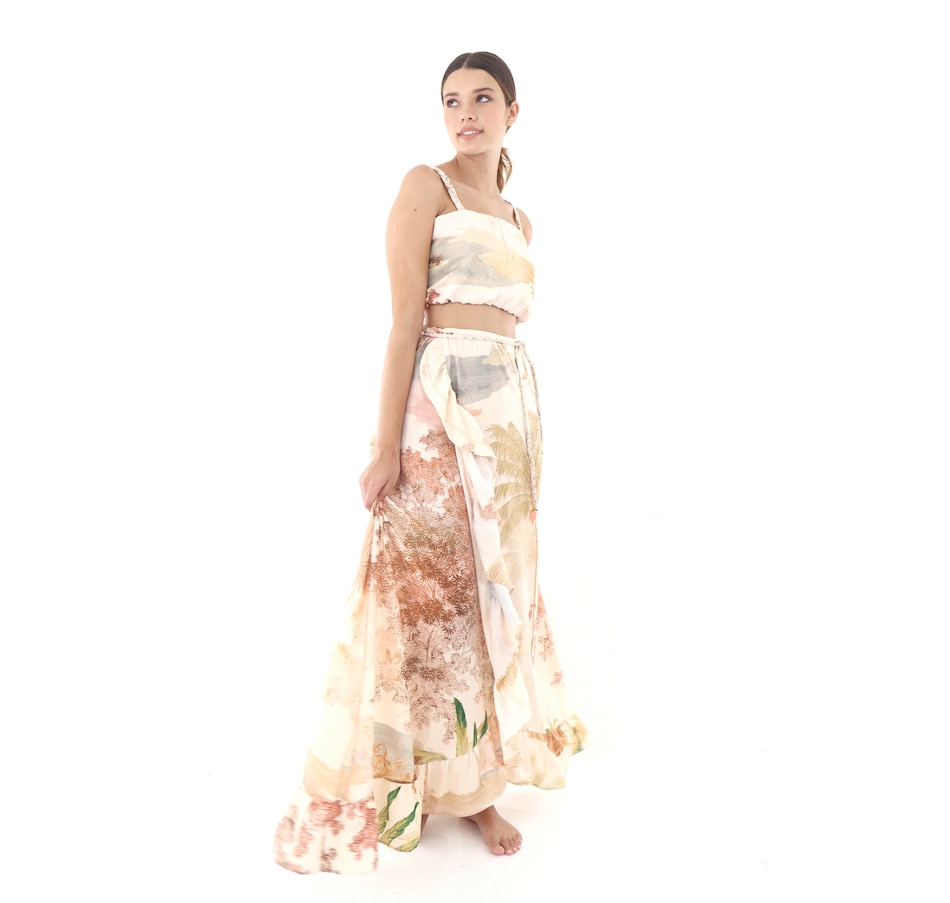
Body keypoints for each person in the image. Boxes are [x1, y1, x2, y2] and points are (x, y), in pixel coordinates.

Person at [273, 51, 585, 876]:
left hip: (509, 420)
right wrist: (385, 446)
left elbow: (509, 330)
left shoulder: (520, 220)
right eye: (452, 100)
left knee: (494, 593)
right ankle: (407, 782)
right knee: (430, 600)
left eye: (483, 98)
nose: (466, 113)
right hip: (436, 415)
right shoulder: (426, 187)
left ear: (512, 112)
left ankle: (478, 785)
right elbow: (405, 321)